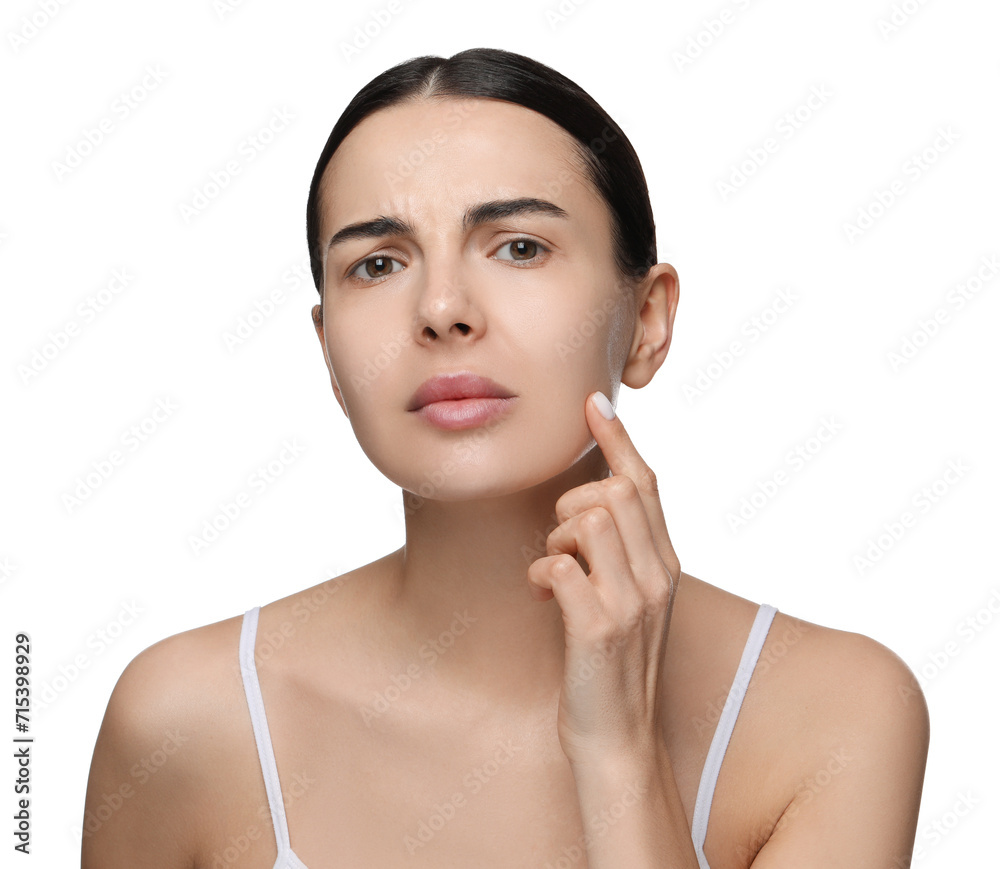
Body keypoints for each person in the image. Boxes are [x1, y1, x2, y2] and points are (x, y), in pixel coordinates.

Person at [81, 47, 929, 868]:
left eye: (519, 246)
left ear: (648, 319)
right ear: (330, 354)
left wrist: (618, 753)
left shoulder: (840, 715)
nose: (442, 308)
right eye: (377, 264)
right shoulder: (184, 721)